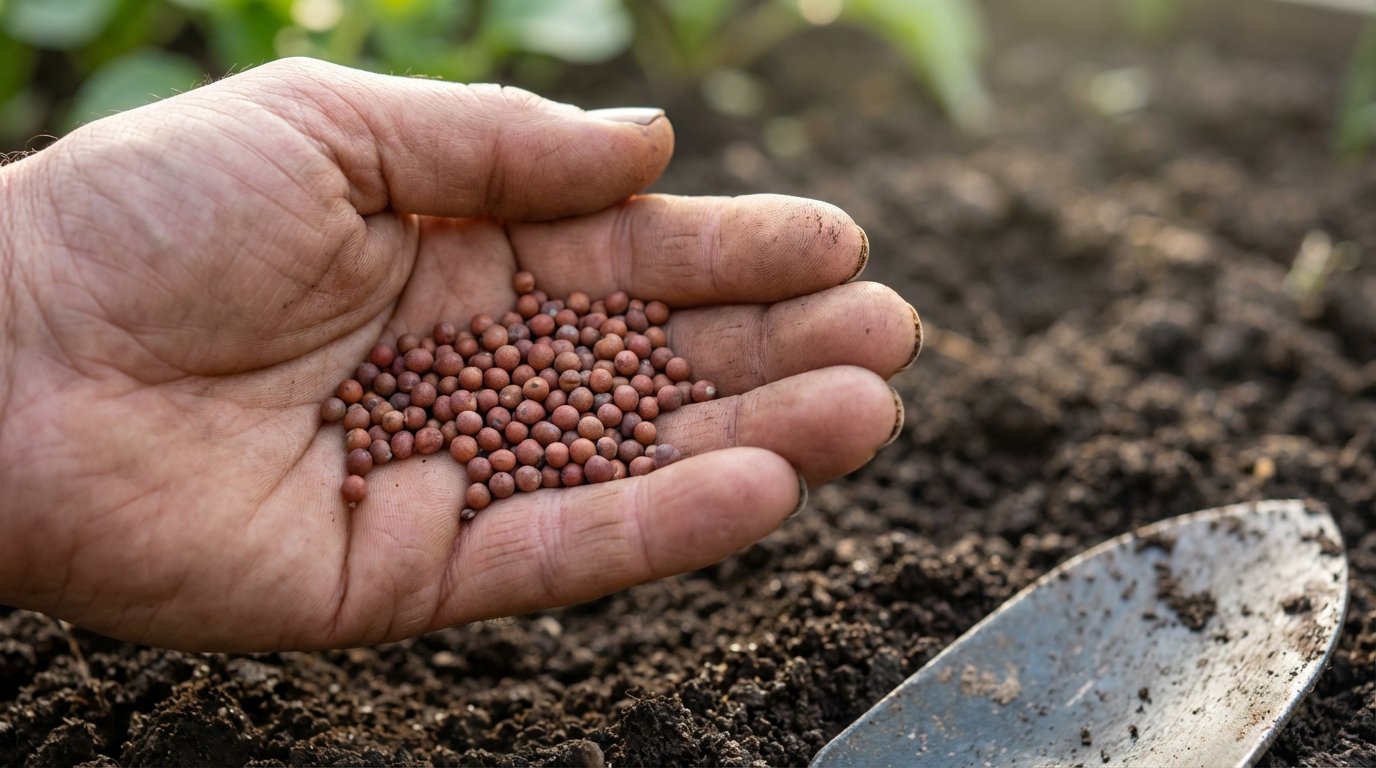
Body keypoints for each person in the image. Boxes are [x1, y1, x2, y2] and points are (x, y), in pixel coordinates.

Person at [0, 58, 919, 652]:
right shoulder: (455, 390)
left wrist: (27, 297)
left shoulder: (541, 377)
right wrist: (29, 286)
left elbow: (531, 403)